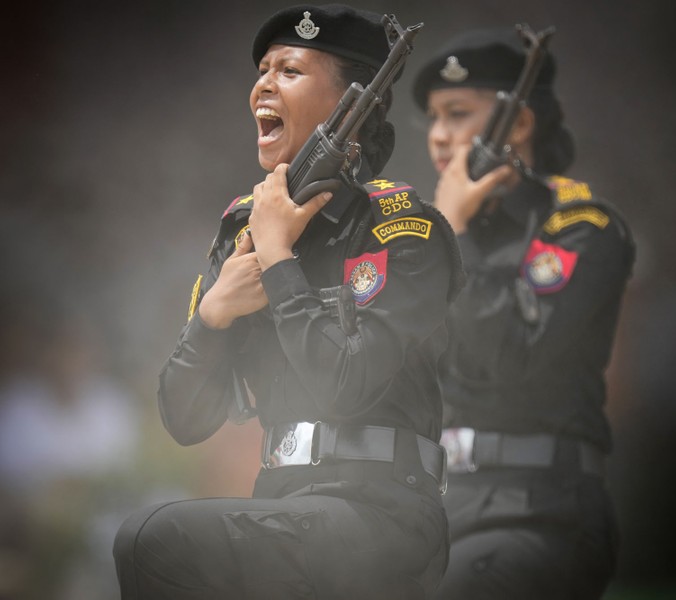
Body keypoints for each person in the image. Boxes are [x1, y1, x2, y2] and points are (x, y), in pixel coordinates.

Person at [113, 5, 464, 599]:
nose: (263, 85)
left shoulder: (403, 229)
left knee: (153, 539)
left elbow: (345, 386)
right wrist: (212, 316)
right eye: (262, 70)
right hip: (282, 509)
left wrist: (279, 262)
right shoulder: (240, 232)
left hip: (384, 516)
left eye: (291, 70)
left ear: (350, 103)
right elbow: (185, 419)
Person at [410, 26, 636, 599]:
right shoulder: (429, 234)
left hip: (538, 508)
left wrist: (451, 233)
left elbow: (507, 362)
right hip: (432, 509)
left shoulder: (582, 229)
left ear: (520, 124)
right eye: (433, 118)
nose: (439, 137)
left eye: (457, 113)